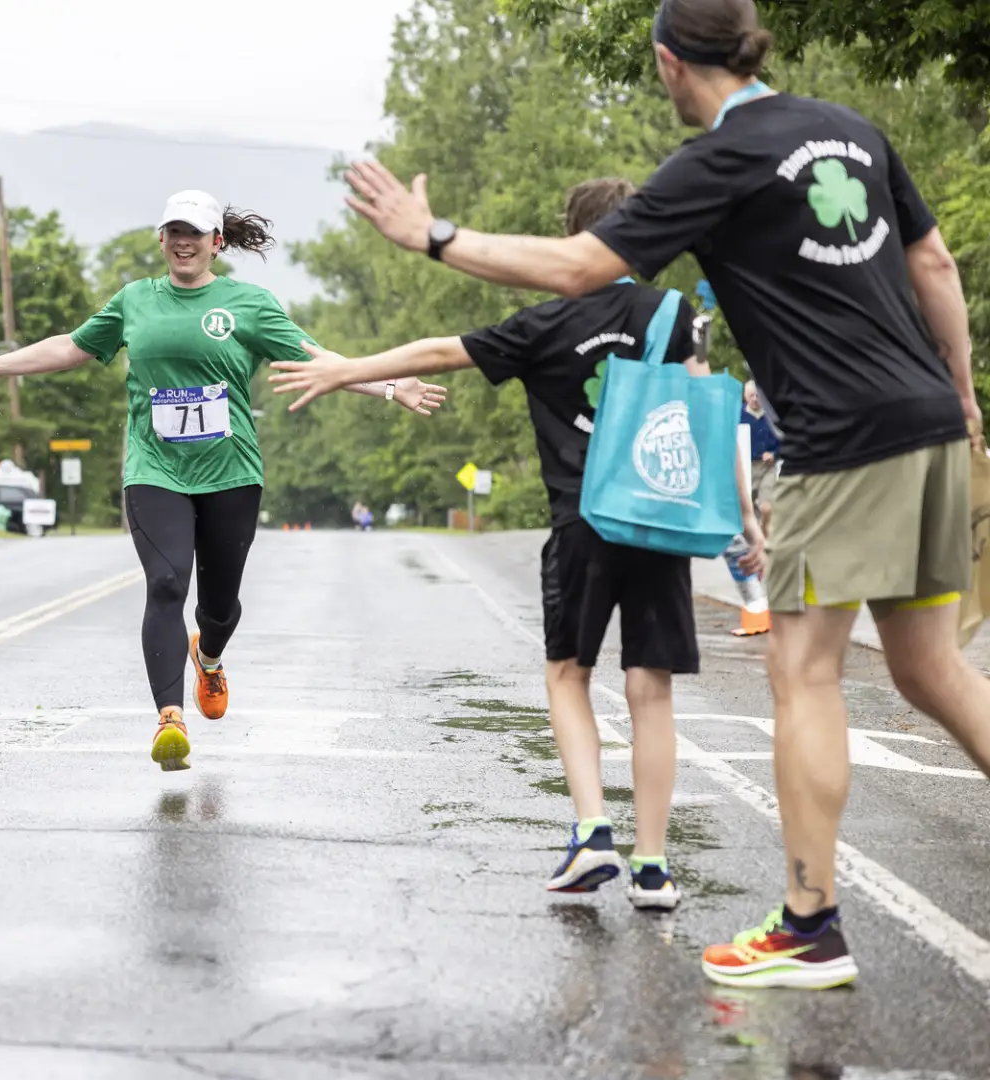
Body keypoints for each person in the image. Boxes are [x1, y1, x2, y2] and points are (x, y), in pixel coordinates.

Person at [337, 0, 990, 989]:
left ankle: (809, 925)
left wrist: (433, 236)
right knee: (932, 668)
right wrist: (964, 393)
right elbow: (933, 263)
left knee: (805, 672)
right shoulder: (852, 130)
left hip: (842, 440)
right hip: (931, 421)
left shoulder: (717, 160)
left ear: (670, 62)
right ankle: (807, 920)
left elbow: (577, 266)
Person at [271, 176, 765, 913]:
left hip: (582, 524)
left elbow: (441, 352)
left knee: (568, 674)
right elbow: (711, 414)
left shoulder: (545, 322)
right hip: (659, 524)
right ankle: (654, 868)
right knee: (650, 689)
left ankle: (592, 832)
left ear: (573, 240)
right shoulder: (674, 313)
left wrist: (349, 368)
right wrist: (746, 519)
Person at [0, 189, 446, 770]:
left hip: (231, 473)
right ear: (162, 239)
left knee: (220, 606)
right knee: (165, 583)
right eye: (175, 232)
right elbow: (70, 348)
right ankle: (169, 719)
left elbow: (318, 358)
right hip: (154, 470)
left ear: (217, 242)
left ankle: (208, 658)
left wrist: (389, 385)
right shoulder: (135, 300)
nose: (184, 242)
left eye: (196, 233)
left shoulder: (248, 304)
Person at [742, 379, 781, 529]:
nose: (755, 399)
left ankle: (764, 534)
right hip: (747, 468)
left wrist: (774, 454)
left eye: (757, 395)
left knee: (766, 507)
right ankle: (750, 536)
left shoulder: (772, 415)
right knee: (745, 509)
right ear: (745, 397)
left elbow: (783, 440)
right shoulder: (738, 416)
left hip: (768, 468)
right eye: (751, 396)